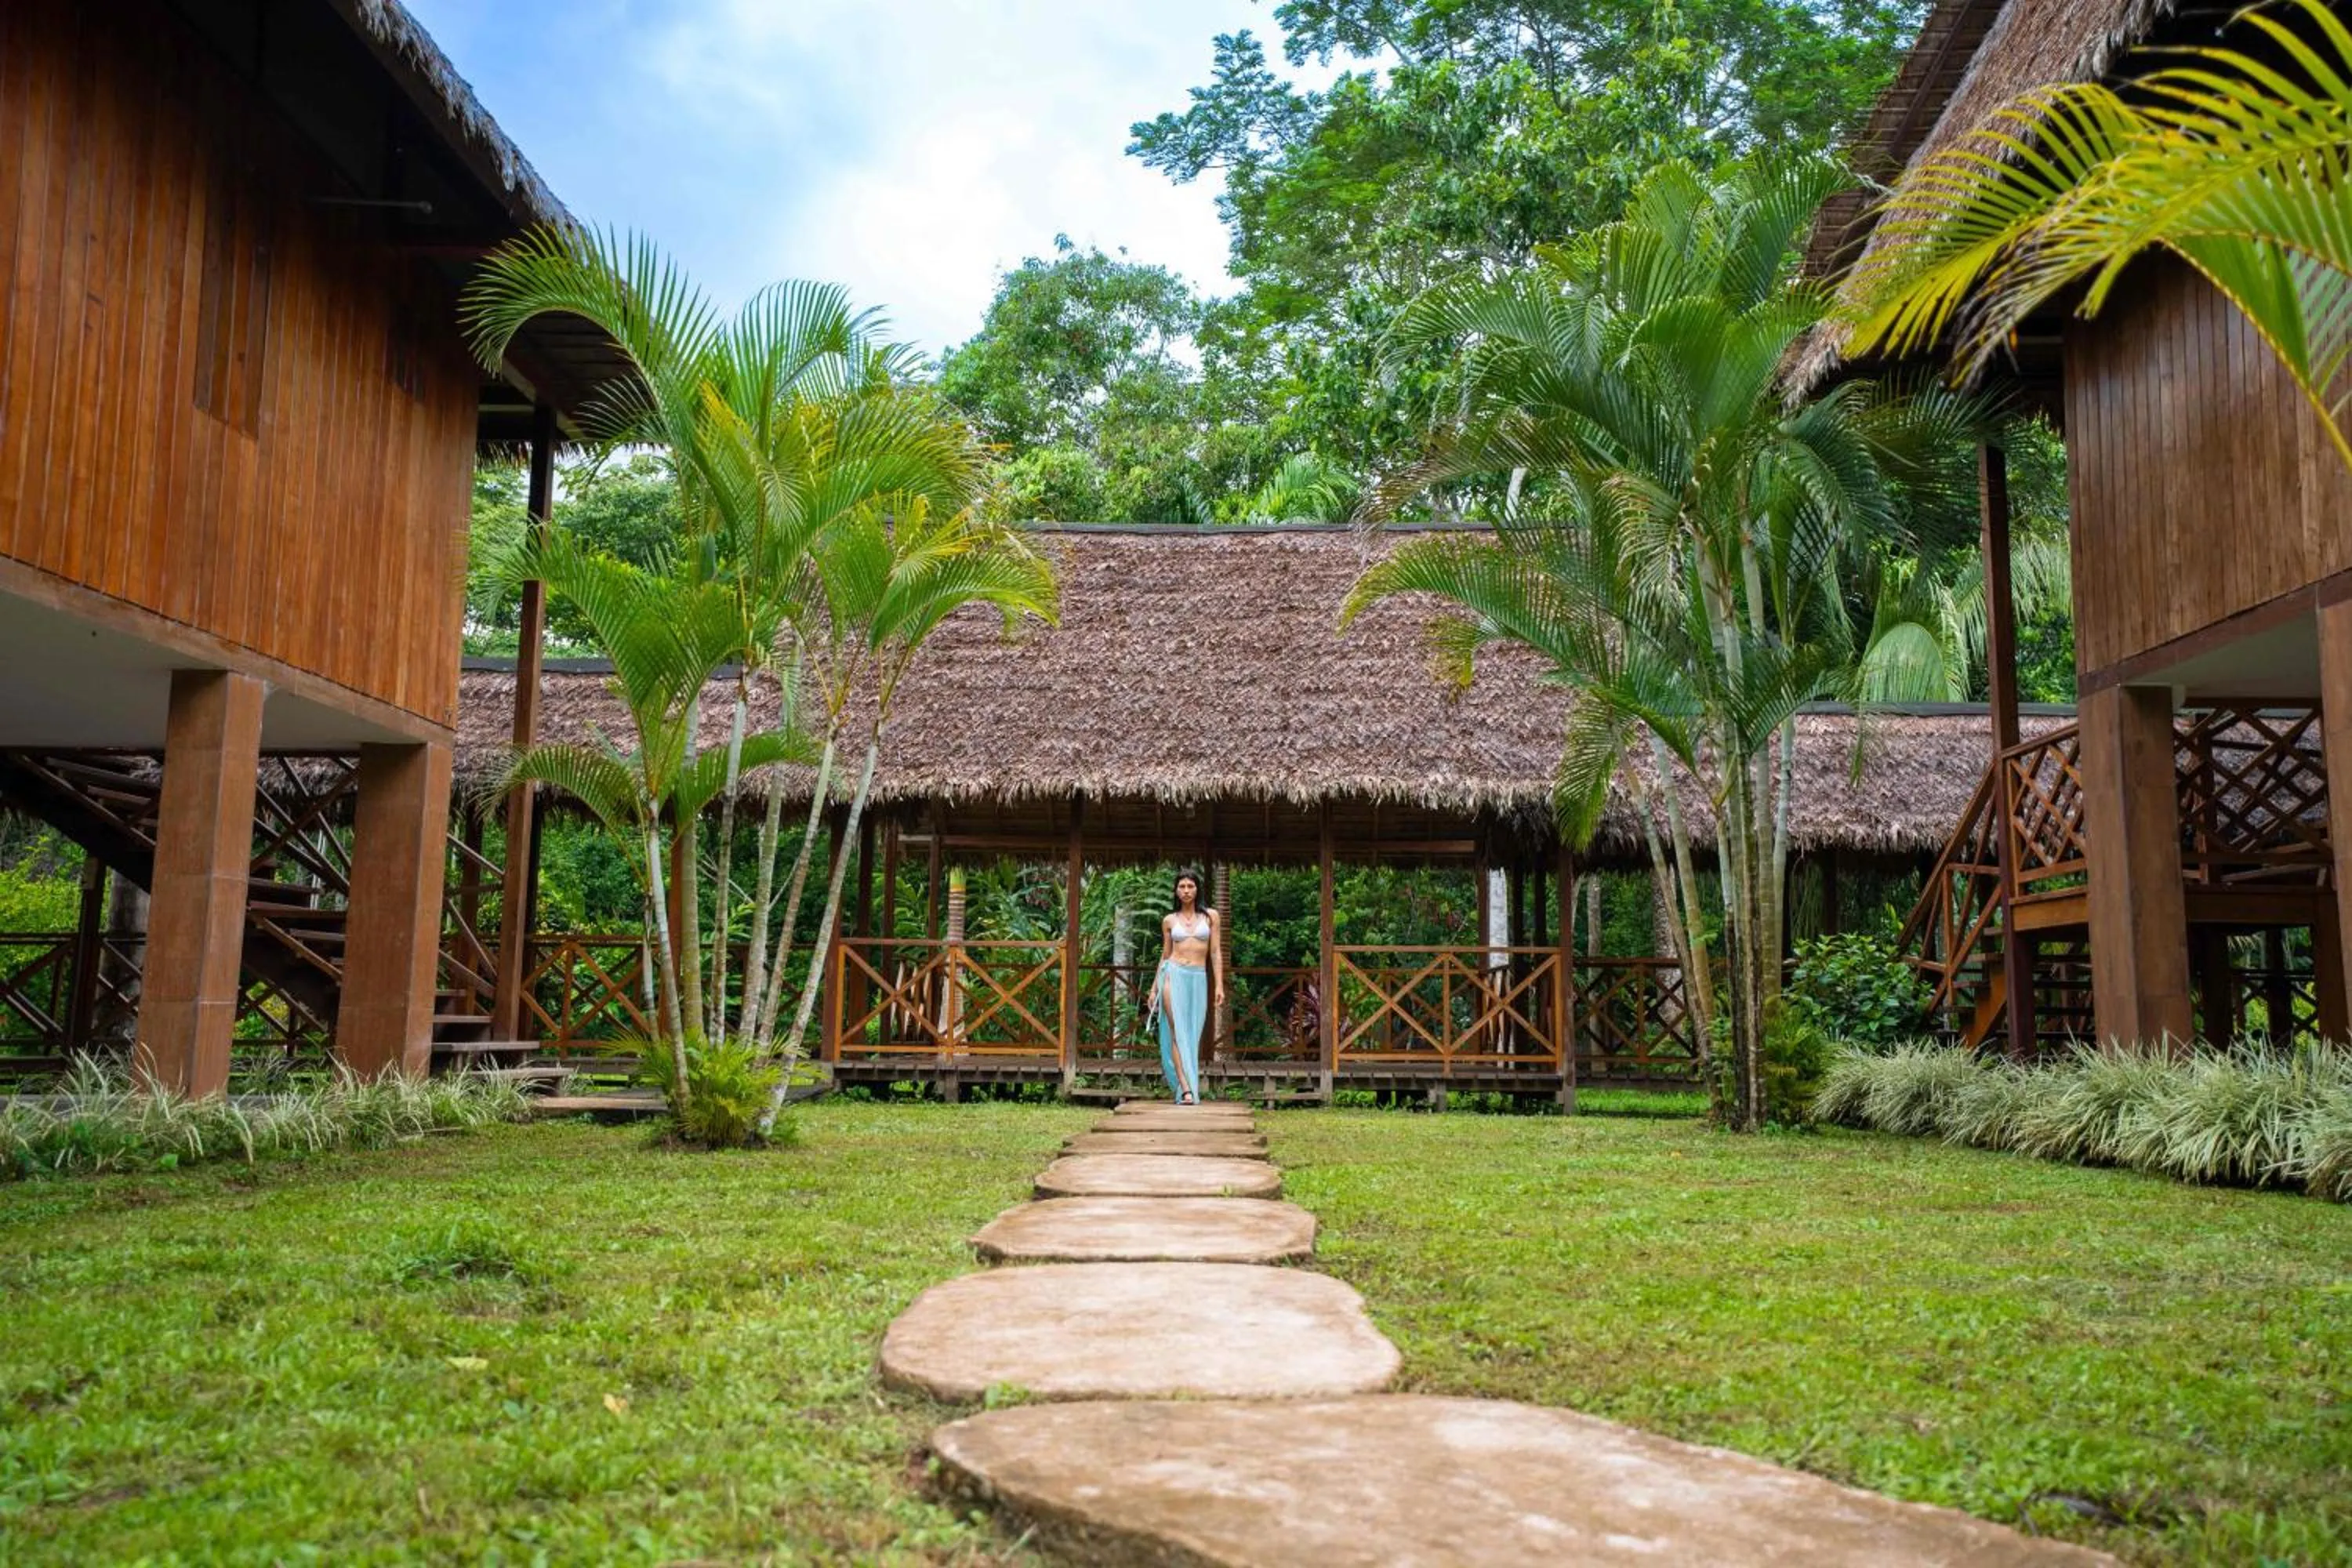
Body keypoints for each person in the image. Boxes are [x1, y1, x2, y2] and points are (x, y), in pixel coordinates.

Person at [1149, 867, 1222, 1105]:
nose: (1186, 890)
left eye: (1190, 886)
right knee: (1177, 1030)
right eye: (1182, 886)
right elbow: (1165, 954)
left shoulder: (1211, 917)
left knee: (1192, 1032)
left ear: (1198, 889)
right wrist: (1154, 988)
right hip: (1172, 974)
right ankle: (1186, 1088)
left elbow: (1215, 952)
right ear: (1176, 891)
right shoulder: (1169, 920)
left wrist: (1219, 985)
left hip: (1198, 977)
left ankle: (1187, 1084)